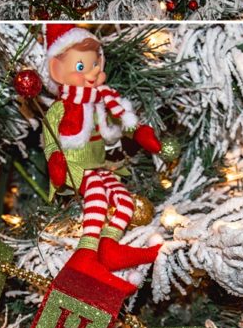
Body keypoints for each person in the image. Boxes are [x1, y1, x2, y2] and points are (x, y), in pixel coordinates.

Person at [42, 24, 163, 294]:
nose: (94, 71)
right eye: (83, 67)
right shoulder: (60, 108)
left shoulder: (98, 102)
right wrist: (55, 160)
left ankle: (109, 247)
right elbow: (50, 138)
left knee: (122, 199)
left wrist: (138, 131)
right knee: (96, 193)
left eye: (96, 63)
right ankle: (86, 253)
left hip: (97, 165)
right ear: (57, 71)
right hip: (73, 168)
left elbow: (116, 125)